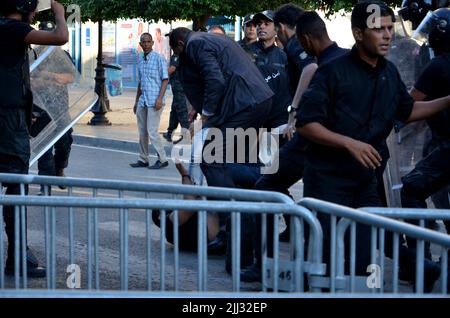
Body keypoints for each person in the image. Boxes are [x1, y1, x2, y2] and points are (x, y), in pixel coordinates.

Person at [296, 0, 449, 291]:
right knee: (326, 263)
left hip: (366, 184)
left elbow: (408, 111)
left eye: (390, 28)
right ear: (358, 33)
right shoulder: (332, 72)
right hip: (328, 183)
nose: (388, 35)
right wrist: (348, 143)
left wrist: (447, 101)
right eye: (379, 29)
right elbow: (306, 123)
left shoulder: (389, 73)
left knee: (363, 260)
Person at [241, 10, 348, 283]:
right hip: (306, 136)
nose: (262, 28)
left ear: (283, 28)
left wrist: (294, 114)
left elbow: (312, 68)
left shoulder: (297, 48)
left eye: (268, 24)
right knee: (310, 200)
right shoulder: (256, 51)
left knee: (266, 188)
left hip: (306, 135)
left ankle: (263, 263)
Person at [169, 27, 273, 272]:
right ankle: (248, 251)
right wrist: (199, 105)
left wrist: (207, 113)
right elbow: (212, 76)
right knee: (235, 162)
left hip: (242, 104)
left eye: (175, 51)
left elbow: (215, 79)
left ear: (181, 43)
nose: (178, 57)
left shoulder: (195, 44)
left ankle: (234, 213)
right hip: (257, 102)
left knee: (210, 158)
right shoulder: (212, 39)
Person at [0, 0, 68, 277]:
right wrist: (60, 12)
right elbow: (60, 37)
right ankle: (17, 258)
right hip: (8, 120)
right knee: (16, 184)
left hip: (10, 114)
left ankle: (19, 256)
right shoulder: (14, 29)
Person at [400, 7, 450, 287]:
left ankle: (421, 262)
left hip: (447, 147)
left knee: (411, 189)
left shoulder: (439, 65)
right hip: (439, 143)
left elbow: (410, 104)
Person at [152, 162, 226, 254]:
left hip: (217, 236)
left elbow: (188, 201)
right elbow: (191, 204)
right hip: (217, 235)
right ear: (159, 216)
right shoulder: (169, 222)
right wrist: (184, 174)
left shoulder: (171, 233)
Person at [35, 21, 74, 192]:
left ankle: (60, 169)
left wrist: (48, 75)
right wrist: (44, 80)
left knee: (65, 143)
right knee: (44, 147)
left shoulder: (62, 55)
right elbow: (29, 81)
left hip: (60, 109)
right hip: (41, 109)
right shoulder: (34, 55)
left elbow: (70, 77)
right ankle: (45, 187)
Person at [130, 33, 169, 170]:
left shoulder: (159, 59)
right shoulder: (140, 59)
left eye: (148, 42)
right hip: (143, 101)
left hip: (155, 101)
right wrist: (136, 102)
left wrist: (160, 99)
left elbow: (165, 79)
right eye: (143, 42)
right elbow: (140, 83)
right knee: (142, 132)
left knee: (152, 131)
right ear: (140, 44)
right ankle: (143, 159)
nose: (146, 44)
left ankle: (162, 158)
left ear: (152, 43)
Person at [162, 52, 189, 144]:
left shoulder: (177, 55)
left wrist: (162, 75)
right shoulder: (186, 53)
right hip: (180, 87)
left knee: (181, 111)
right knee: (174, 111)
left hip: (179, 88)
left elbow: (172, 68)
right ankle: (170, 133)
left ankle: (186, 136)